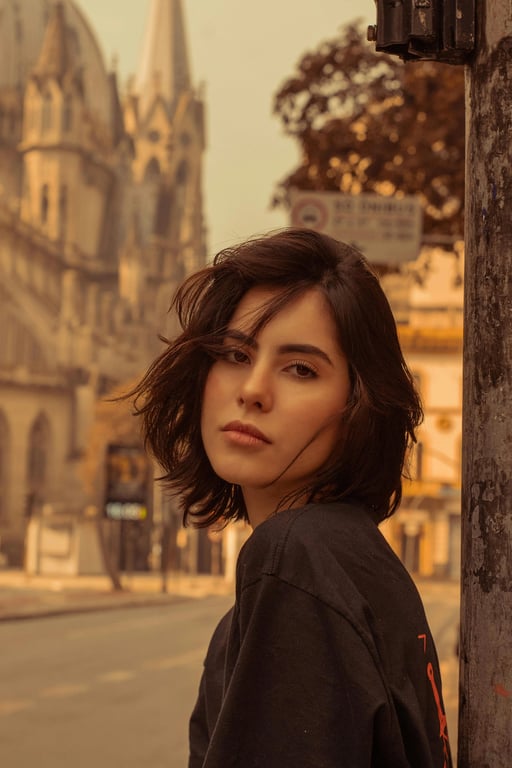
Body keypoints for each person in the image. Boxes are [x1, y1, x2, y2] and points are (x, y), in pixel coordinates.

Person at [132, 228, 452, 768]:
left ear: (359, 408)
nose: (253, 388)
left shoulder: (297, 557)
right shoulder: (352, 560)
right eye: (235, 353)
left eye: (301, 368)